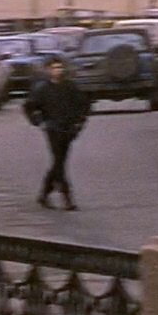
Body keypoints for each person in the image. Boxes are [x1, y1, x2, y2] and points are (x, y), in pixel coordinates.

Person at [23, 58, 91, 210]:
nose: (58, 70)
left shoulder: (70, 87)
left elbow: (84, 104)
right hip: (53, 129)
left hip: (68, 129)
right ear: (48, 70)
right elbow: (29, 106)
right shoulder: (42, 89)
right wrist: (38, 121)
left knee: (59, 161)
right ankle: (66, 197)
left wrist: (79, 122)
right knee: (59, 161)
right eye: (54, 68)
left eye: (60, 67)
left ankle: (44, 194)